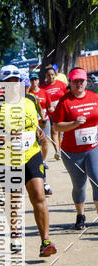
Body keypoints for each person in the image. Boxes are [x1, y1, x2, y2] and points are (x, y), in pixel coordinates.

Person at [0, 64, 57, 257]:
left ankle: (45, 241)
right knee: (14, 199)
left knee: (39, 196)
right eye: (9, 82)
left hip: (31, 154)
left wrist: (39, 131)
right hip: (7, 158)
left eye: (16, 81)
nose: (13, 85)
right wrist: (5, 137)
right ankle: (15, 234)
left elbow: (36, 121)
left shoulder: (31, 99)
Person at [53, 68, 98, 229]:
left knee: (97, 181)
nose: (79, 84)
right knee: (79, 185)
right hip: (72, 151)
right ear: (70, 83)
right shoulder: (65, 101)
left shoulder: (94, 97)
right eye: (75, 81)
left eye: (81, 81)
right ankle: (80, 215)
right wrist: (73, 124)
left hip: (93, 147)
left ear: (86, 82)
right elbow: (56, 126)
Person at [28, 72, 52, 194]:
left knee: (45, 143)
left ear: (38, 80)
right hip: (31, 126)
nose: (34, 82)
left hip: (42, 123)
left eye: (35, 79)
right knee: (36, 151)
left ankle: (43, 161)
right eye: (31, 80)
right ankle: (43, 183)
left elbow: (47, 108)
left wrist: (43, 120)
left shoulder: (42, 93)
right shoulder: (28, 95)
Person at [41, 64, 67, 158]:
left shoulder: (61, 84)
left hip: (62, 112)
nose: (51, 77)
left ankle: (62, 149)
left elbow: (68, 95)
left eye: (52, 74)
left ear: (55, 74)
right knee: (54, 131)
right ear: (46, 76)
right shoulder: (43, 87)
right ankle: (57, 151)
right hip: (51, 113)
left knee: (61, 132)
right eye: (49, 75)